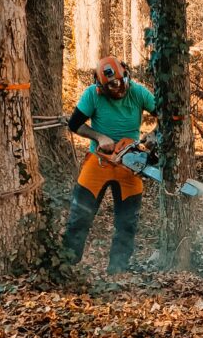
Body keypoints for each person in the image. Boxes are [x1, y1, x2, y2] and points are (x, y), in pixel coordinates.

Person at [63, 55, 157, 274]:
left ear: (126, 75)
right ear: (101, 86)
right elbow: (74, 124)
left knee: (127, 223)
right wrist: (99, 137)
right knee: (79, 216)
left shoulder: (138, 92)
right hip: (98, 162)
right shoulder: (92, 95)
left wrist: (154, 134)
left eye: (121, 82)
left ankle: (118, 270)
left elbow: (167, 115)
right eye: (112, 86)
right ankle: (66, 265)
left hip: (130, 164)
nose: (118, 88)